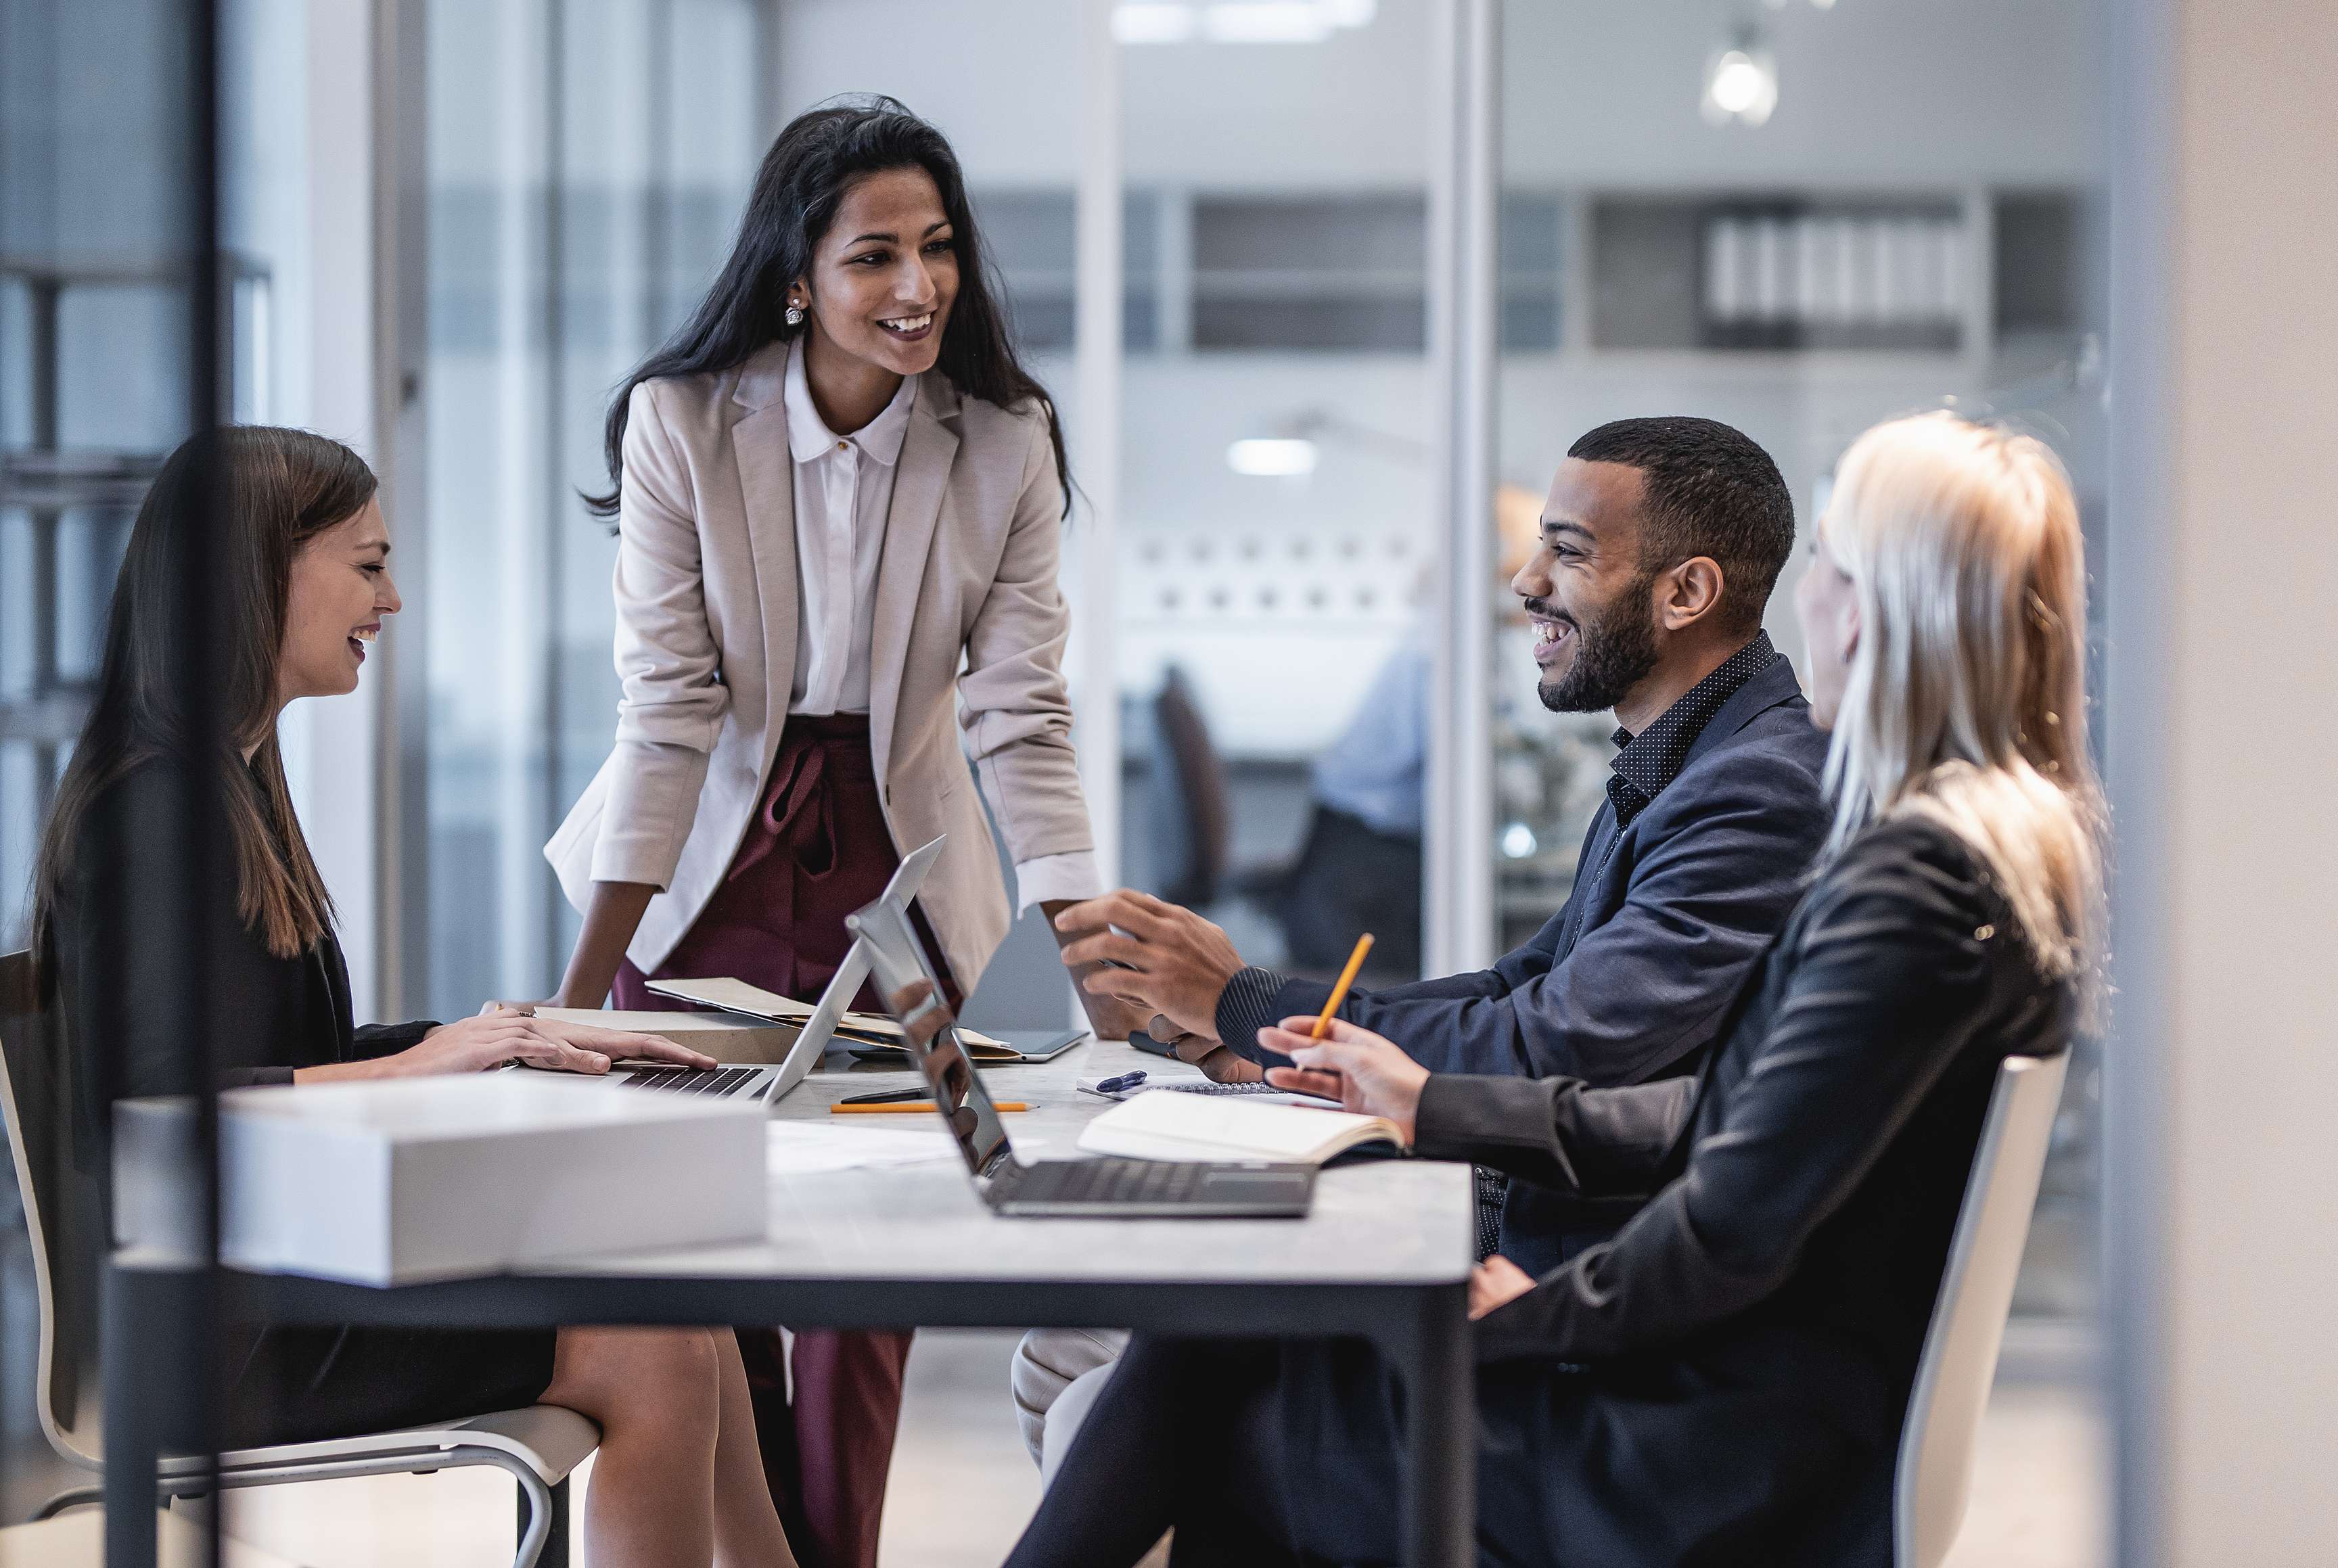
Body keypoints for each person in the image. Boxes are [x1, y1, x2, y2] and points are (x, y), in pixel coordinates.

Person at [1004, 410, 2103, 1567]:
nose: (1807, 591)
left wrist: (1527, 1313)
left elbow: (1727, 1220)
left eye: (1829, 560)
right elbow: (1716, 1119)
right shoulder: (1965, 860)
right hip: (1734, 1401)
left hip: (1697, 1454)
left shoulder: (1913, 881)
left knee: (1219, 1373)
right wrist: (1416, 1098)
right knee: (1226, 1343)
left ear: (1884, 607)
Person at [31, 427, 798, 1568]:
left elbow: (292, 1055)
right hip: (220, 1335)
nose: (392, 600)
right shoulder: (155, 814)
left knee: (688, 1298)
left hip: (273, 1275)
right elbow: (145, 1110)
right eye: (370, 562)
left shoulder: (225, 783)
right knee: (656, 1343)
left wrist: (492, 1039)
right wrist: (413, 1066)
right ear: (258, 571)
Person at [539, 97, 1130, 1568]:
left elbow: (1022, 718)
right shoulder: (684, 419)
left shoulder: (1003, 439)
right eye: (876, 255)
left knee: (879, 1255)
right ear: (797, 274)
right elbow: (668, 712)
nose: (918, 286)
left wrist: (1081, 945)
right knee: (691, 1243)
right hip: (700, 859)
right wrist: (580, 990)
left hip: (902, 861)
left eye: (937, 250)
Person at [1015, 416, 1832, 1457]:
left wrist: (1245, 1000)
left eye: (1567, 551)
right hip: (1534, 1212)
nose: (1525, 579)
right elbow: (1516, 986)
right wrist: (1270, 1038)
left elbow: (1554, 1043)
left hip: (1568, 1268)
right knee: (1074, 1349)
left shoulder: (1752, 786)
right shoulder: (1680, 752)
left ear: (1687, 593)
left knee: (1108, 1368)